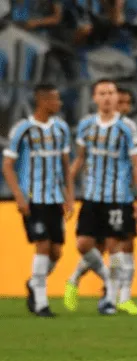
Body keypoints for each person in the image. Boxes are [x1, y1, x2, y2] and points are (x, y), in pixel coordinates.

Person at [64, 79, 137, 315]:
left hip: (118, 198)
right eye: (102, 93)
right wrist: (67, 190)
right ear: (95, 97)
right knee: (84, 244)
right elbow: (79, 159)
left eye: (111, 92)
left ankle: (110, 299)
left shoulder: (127, 127)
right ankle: (84, 281)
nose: (107, 97)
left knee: (114, 246)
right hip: (91, 197)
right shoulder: (86, 126)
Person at [2, 84, 74, 317]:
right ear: (42, 101)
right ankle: (41, 303)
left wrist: (69, 196)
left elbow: (65, 165)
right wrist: (19, 197)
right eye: (55, 99)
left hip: (54, 198)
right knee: (42, 244)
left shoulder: (61, 128)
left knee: (56, 252)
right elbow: (8, 166)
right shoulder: (22, 129)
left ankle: (34, 283)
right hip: (33, 198)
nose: (60, 103)